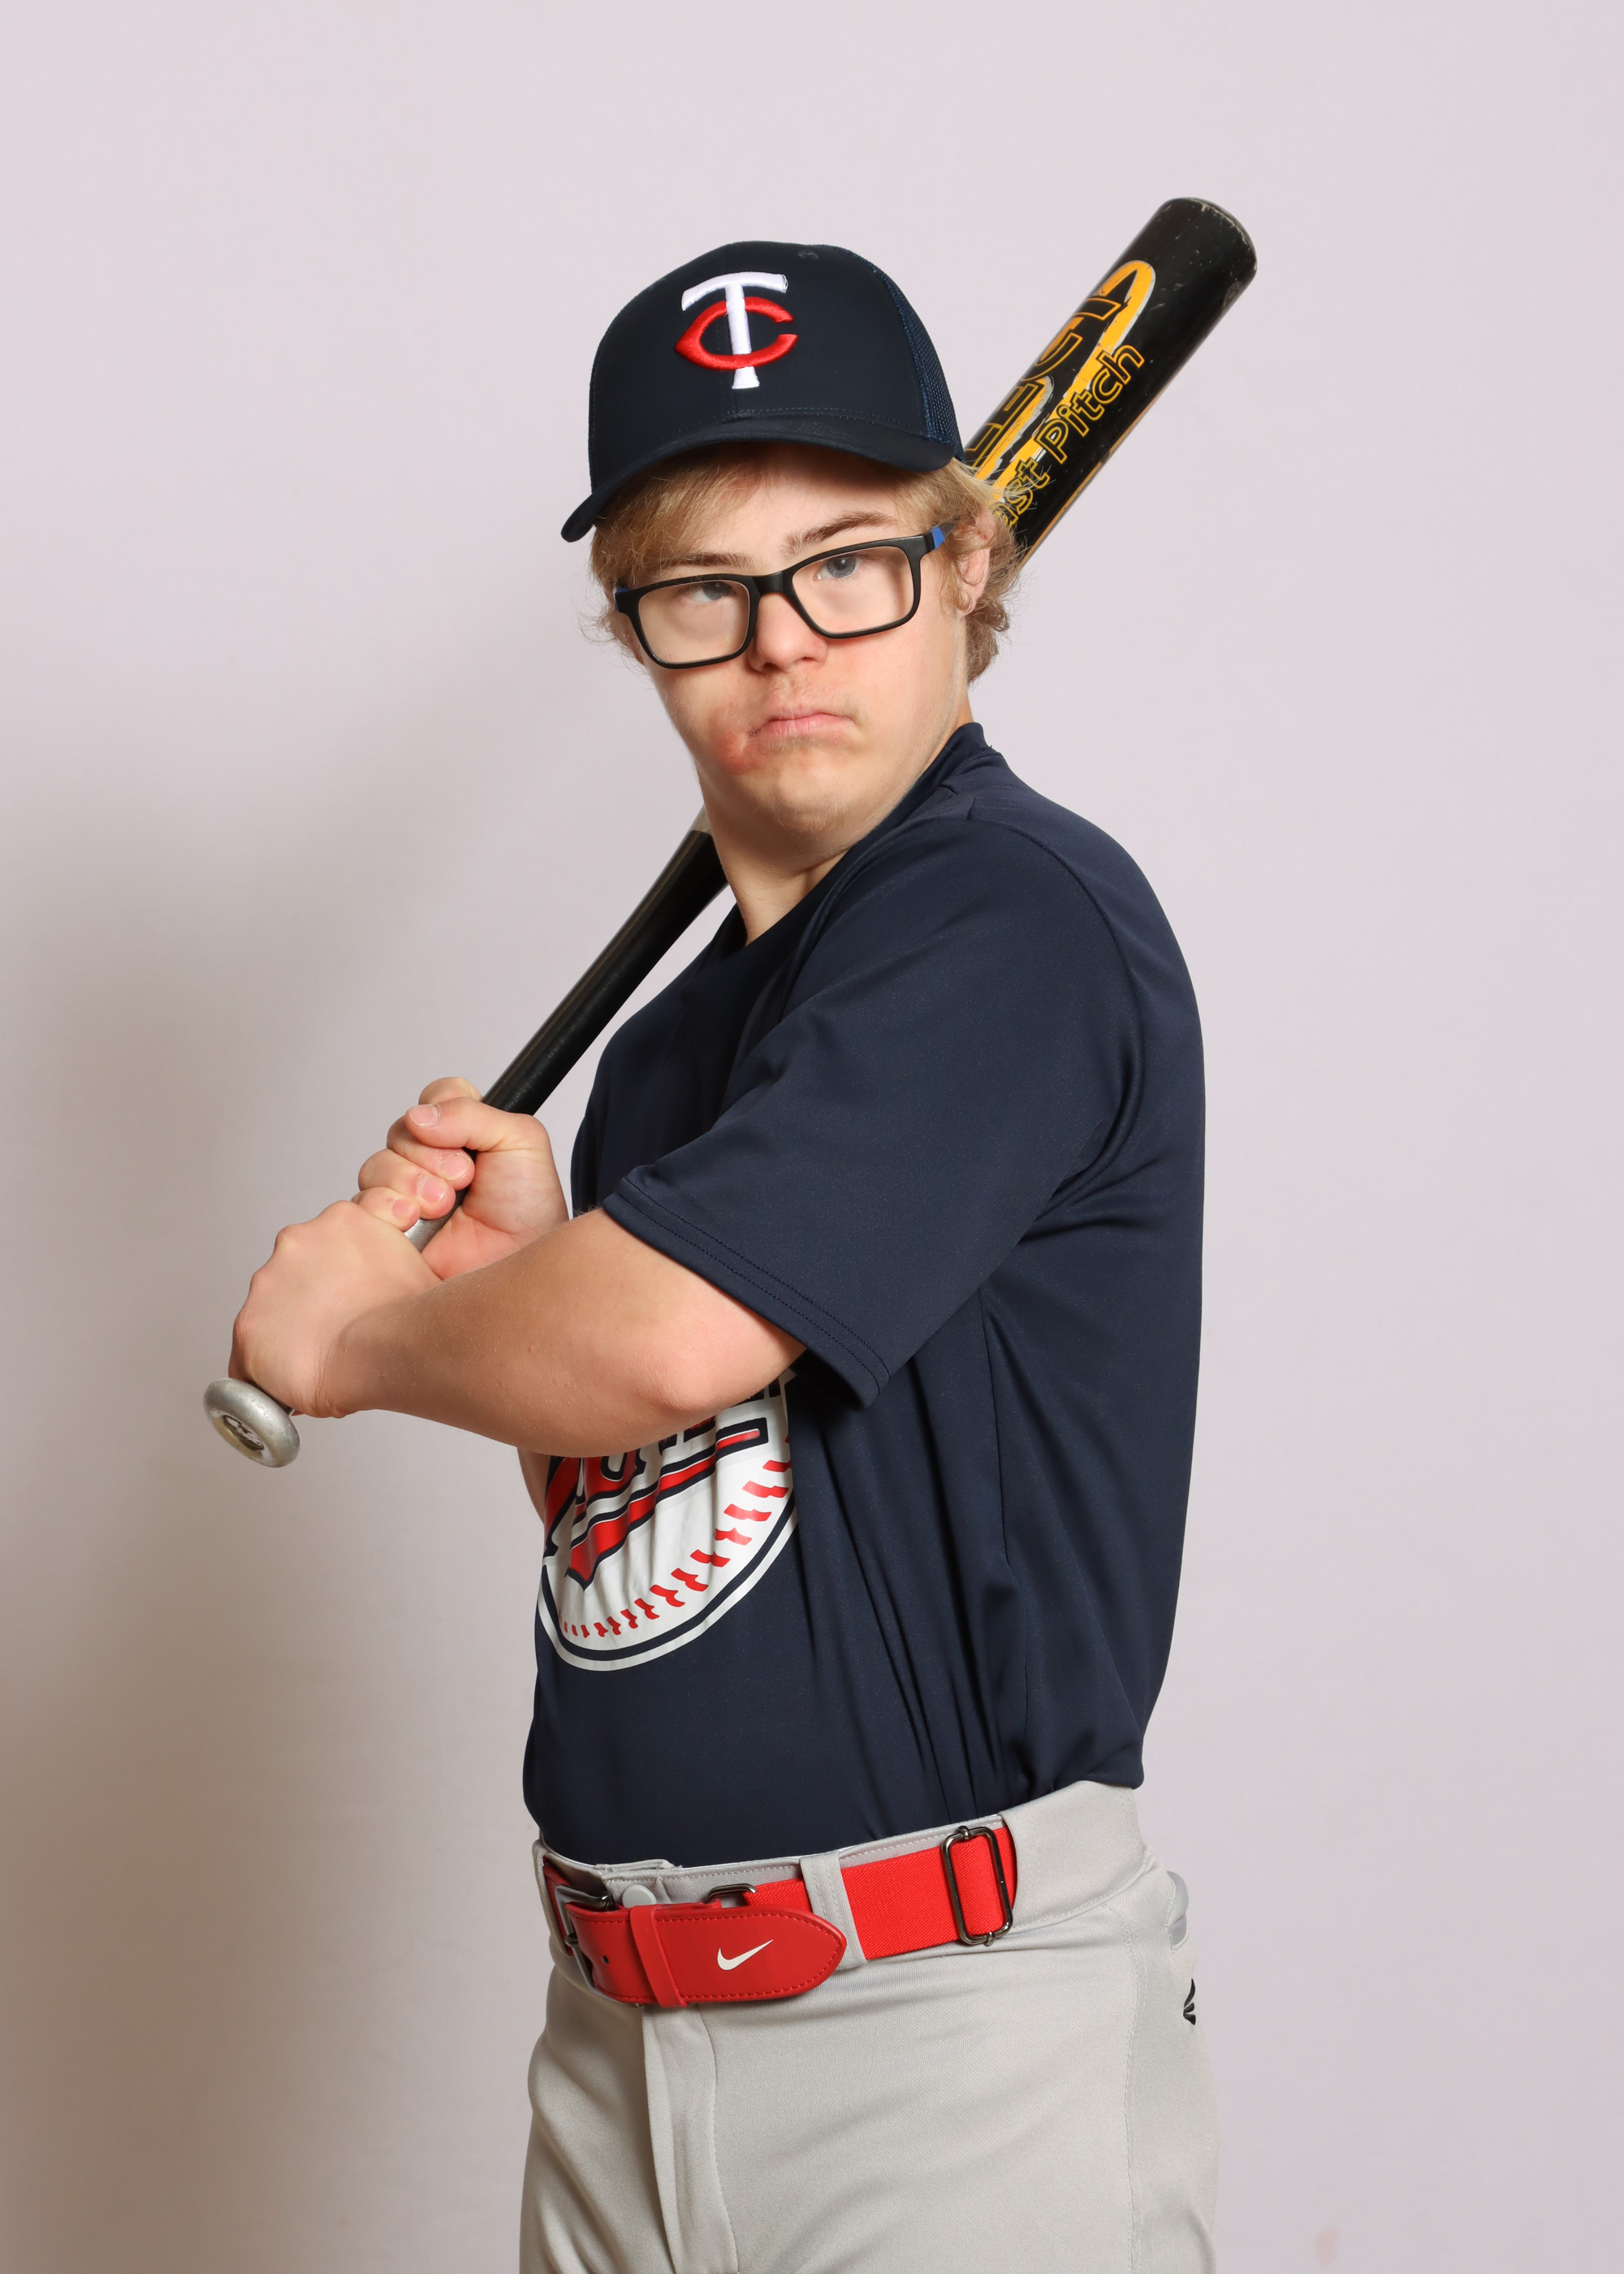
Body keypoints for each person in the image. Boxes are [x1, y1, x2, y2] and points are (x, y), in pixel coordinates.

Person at [231, 239, 1220, 2272]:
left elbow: (671, 1340)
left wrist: (367, 1337)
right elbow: (664, 1495)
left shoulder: (1006, 916)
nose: (783, 645)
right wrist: (529, 1279)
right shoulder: (682, 1046)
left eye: (845, 564)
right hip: (619, 2043)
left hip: (943, 2051)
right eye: (706, 591)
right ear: (637, 633)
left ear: (963, 563)